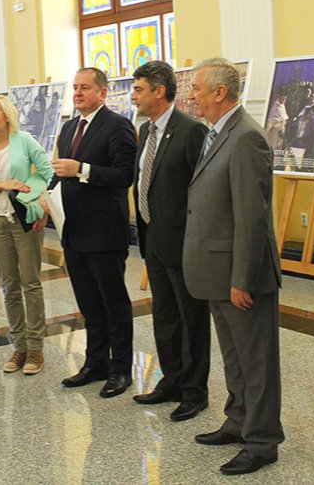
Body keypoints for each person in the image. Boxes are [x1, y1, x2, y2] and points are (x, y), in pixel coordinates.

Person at [183, 58, 283, 476]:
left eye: (197, 89)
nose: (192, 96)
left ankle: (262, 441)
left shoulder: (246, 138)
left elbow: (252, 216)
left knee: (256, 361)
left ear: (220, 93)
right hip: (216, 272)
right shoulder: (217, 133)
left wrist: (242, 278)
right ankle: (238, 420)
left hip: (239, 275)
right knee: (235, 357)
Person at [42, 67, 137, 398]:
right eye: (75, 88)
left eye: (85, 88)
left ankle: (121, 369)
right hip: (73, 229)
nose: (78, 93)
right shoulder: (69, 127)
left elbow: (124, 175)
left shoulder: (118, 125)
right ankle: (95, 362)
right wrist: (47, 192)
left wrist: (82, 170)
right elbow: (61, 172)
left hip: (104, 230)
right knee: (89, 303)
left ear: (102, 93)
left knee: (113, 303)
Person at [130, 61, 211, 421]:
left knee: (190, 317)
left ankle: (195, 391)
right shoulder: (145, 131)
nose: (134, 96)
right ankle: (172, 380)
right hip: (153, 239)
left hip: (183, 243)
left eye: (138, 89)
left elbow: (203, 190)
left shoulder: (190, 130)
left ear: (159, 92)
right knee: (164, 315)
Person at [0, 95, 53, 375]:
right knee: (9, 284)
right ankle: (18, 346)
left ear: (6, 116)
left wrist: (35, 197)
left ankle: (36, 348)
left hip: (23, 218)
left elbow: (47, 171)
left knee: (30, 282)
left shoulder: (24, 140)